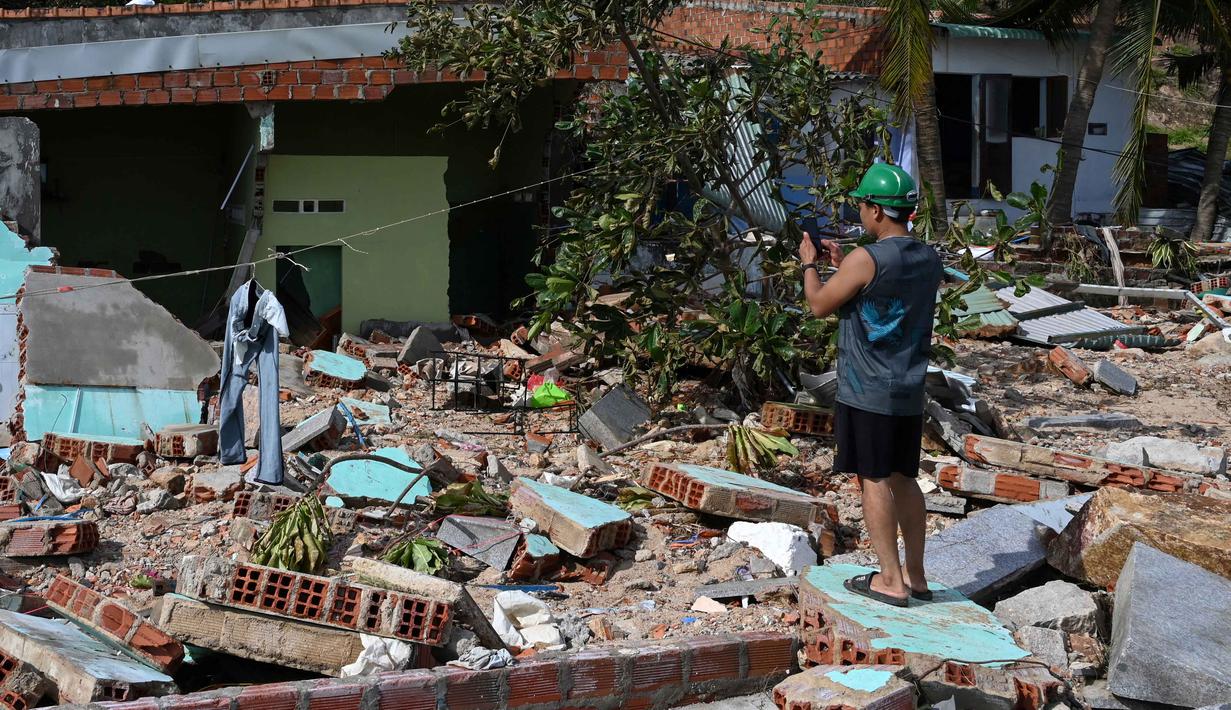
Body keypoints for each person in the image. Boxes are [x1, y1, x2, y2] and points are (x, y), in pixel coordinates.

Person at [797, 163, 944, 607]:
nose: (860, 212)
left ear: (876, 210)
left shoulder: (865, 259)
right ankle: (916, 576)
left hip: (868, 389)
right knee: (904, 478)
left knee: (874, 479)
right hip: (908, 389)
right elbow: (881, 292)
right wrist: (844, 267)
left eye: (862, 205)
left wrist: (809, 264)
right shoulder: (928, 258)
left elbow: (819, 304)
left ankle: (890, 581)